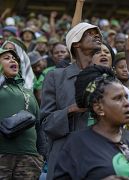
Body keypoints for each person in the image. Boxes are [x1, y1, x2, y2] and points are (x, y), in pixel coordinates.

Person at [53, 65, 129, 179]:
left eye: (126, 97)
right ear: (99, 108)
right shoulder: (77, 144)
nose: (126, 103)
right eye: (117, 98)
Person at [40, 22, 102, 180]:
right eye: (89, 33)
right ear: (76, 43)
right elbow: (45, 123)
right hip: (65, 156)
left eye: (98, 33)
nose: (97, 35)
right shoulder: (55, 76)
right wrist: (70, 110)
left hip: (99, 154)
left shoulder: (106, 77)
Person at [0, 48, 44, 179]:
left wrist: (41, 155)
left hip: (30, 157)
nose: (13, 60)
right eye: (6, 58)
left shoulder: (28, 91)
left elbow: (39, 125)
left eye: (14, 59)